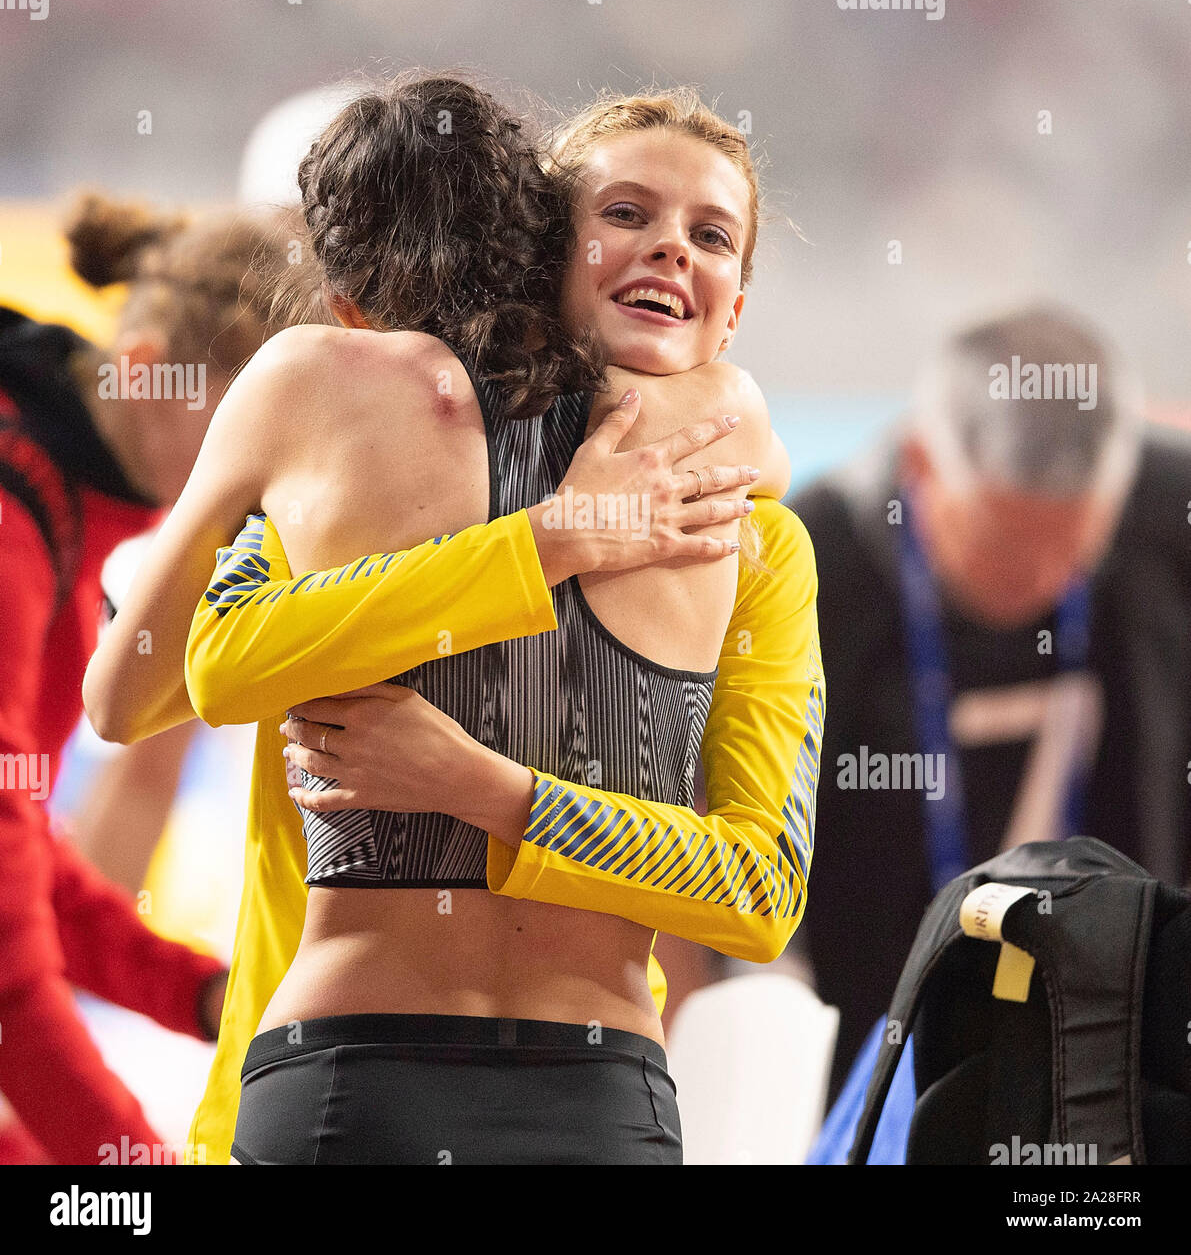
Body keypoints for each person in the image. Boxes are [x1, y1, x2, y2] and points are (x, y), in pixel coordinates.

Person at [87, 78, 824, 1164]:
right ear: (545, 249)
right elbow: (197, 672)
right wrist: (547, 544)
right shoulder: (350, 446)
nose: (669, 250)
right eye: (625, 215)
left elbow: (759, 889)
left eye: (709, 234)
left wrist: (487, 789)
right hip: (464, 1078)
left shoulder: (756, 532)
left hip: (398, 1076)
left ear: (736, 307)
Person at [789, 305, 1191, 1106]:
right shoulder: (813, 567)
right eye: (1007, 547)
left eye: (1075, 549)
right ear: (921, 465)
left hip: (1119, 1050)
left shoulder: (1168, 523)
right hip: (871, 1055)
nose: (1044, 578)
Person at [0, 191, 294, 1163]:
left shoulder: (65, 504)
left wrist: (203, 994)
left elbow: (23, 858)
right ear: (140, 373)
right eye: (239, 436)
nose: (267, 480)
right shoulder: (15, 524)